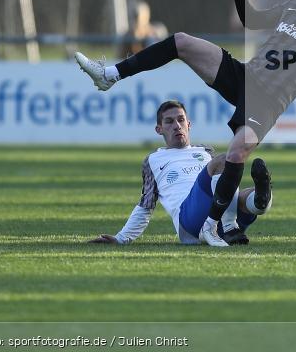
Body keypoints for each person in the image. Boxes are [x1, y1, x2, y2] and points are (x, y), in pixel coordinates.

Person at [75, 0, 296, 247]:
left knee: (236, 152)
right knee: (181, 41)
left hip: (268, 101)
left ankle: (214, 225)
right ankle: (110, 75)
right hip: (245, 77)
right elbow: (253, 20)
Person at [88, 100, 271, 246]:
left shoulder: (205, 151)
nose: (177, 125)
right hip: (190, 222)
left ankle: (259, 201)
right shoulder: (153, 160)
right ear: (159, 129)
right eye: (169, 121)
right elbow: (146, 205)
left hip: (216, 218)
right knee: (225, 161)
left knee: (246, 194)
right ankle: (230, 225)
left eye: (181, 119)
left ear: (189, 124)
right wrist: (122, 238)